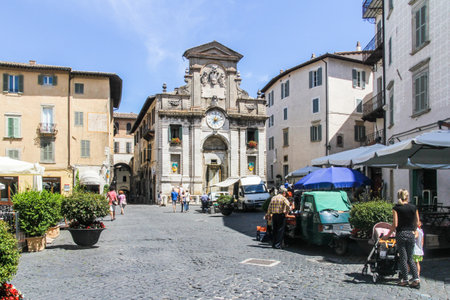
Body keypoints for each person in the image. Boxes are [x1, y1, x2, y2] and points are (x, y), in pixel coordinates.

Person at [383, 189, 420, 288]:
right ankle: (416, 279)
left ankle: (405, 280)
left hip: (401, 234)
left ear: (398, 196)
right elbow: (417, 222)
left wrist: (387, 235)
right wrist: (414, 230)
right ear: (407, 197)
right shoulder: (413, 207)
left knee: (403, 258)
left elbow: (395, 224)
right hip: (411, 234)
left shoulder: (396, 208)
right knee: (411, 258)